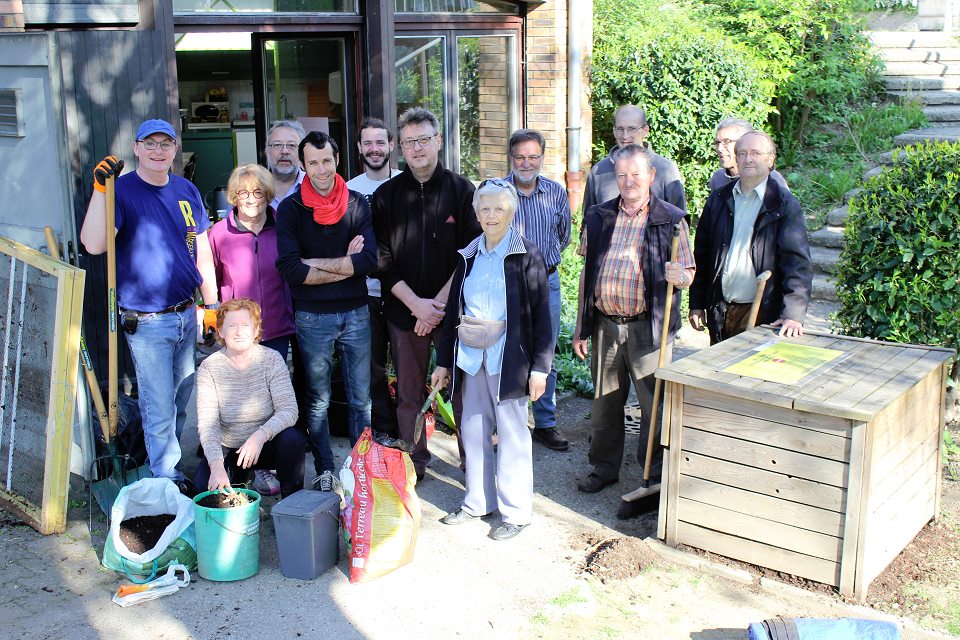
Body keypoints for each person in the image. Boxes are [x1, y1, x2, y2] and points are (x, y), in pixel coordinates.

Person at [80, 119, 218, 484]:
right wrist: (99, 189)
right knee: (158, 405)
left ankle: (167, 465)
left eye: (166, 144)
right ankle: (166, 478)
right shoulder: (121, 192)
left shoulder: (186, 189)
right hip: (147, 321)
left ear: (175, 149)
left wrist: (212, 307)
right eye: (150, 144)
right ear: (136, 148)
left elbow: (201, 249)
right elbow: (93, 244)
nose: (158, 151)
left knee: (179, 399)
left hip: (187, 314)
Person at [431, 179, 552, 540]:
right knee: (472, 428)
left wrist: (540, 368)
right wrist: (442, 362)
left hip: (509, 357)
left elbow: (542, 316)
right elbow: (454, 310)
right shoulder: (468, 254)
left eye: (499, 208)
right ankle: (478, 502)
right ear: (476, 213)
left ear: (511, 211)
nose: (491, 215)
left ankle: (516, 513)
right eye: (484, 208)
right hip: (471, 356)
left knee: (513, 433)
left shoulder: (526, 254)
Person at [573, 144, 695, 494]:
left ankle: (652, 475)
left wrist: (680, 277)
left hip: (649, 328)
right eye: (622, 175)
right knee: (605, 403)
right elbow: (587, 271)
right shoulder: (599, 216)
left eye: (636, 175)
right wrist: (582, 325)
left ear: (651, 177)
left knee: (652, 407)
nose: (629, 182)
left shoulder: (671, 219)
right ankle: (603, 468)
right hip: (605, 326)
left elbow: (688, 271)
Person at [372, 107, 481, 481]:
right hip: (405, 312)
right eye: (409, 142)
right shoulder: (386, 196)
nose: (417, 148)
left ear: (438, 141)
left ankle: (474, 462)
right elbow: (381, 260)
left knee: (465, 393)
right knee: (408, 392)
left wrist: (437, 306)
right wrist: (417, 305)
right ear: (400, 148)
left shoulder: (462, 190)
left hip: (452, 312)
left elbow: (471, 253)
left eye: (423, 140)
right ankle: (413, 463)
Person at [275, 130, 378, 492]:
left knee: (360, 398)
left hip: (356, 313)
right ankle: (324, 467)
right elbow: (290, 271)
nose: (321, 169)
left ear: (337, 161)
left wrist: (315, 265)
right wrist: (343, 261)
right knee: (317, 399)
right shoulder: (291, 209)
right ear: (303, 165)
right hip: (312, 317)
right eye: (313, 162)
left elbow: (368, 261)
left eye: (327, 161)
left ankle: (360, 466)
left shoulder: (357, 203)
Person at [207, 163, 296, 496]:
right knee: (237, 399)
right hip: (236, 335)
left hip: (276, 326)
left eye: (258, 192)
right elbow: (210, 279)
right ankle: (240, 463)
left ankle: (267, 463)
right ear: (234, 196)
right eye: (243, 193)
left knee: (269, 400)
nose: (251, 199)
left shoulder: (282, 225)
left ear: (267, 194)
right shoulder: (219, 234)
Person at [690, 131, 812, 344]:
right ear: (735, 158)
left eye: (756, 153)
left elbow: (797, 263)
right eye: (743, 153)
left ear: (770, 159)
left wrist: (793, 314)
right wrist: (697, 303)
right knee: (719, 373)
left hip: (762, 314)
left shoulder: (783, 204)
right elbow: (703, 254)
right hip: (720, 309)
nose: (748, 159)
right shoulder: (719, 198)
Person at [193, 298, 305, 498]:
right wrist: (217, 466)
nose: (238, 332)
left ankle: (292, 506)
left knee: (293, 440)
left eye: (246, 325)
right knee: (203, 487)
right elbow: (208, 424)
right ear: (220, 332)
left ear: (256, 331)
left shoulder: (271, 359)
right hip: (228, 445)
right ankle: (238, 477)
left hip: (264, 443)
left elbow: (289, 410)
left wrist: (259, 436)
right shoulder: (209, 367)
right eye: (232, 326)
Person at [504, 129, 571, 451]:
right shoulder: (499, 193)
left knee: (546, 354)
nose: (526, 163)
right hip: (508, 285)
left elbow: (564, 235)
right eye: (520, 157)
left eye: (533, 157)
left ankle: (545, 423)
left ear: (542, 158)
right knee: (508, 354)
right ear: (511, 158)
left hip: (548, 282)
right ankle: (508, 424)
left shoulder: (556, 193)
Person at [346, 117, 402, 436]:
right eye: (368, 143)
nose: (374, 149)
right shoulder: (350, 190)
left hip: (401, 292)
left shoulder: (405, 184)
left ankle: (409, 426)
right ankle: (383, 427)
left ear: (391, 145)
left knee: (408, 366)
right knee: (373, 366)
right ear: (359, 148)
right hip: (365, 293)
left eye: (380, 142)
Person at [581, 105, 687, 218]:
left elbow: (679, 221)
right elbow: (588, 220)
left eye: (631, 129)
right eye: (620, 129)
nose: (625, 136)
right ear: (614, 131)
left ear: (645, 131)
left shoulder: (666, 170)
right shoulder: (598, 171)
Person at [708, 117, 789, 192]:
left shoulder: (771, 180)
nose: (719, 149)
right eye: (717, 142)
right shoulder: (718, 179)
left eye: (727, 141)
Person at [266, 120, 306, 211]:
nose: (284, 151)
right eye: (277, 145)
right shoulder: (252, 189)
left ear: (303, 152)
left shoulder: (315, 186)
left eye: (291, 145)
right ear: (267, 151)